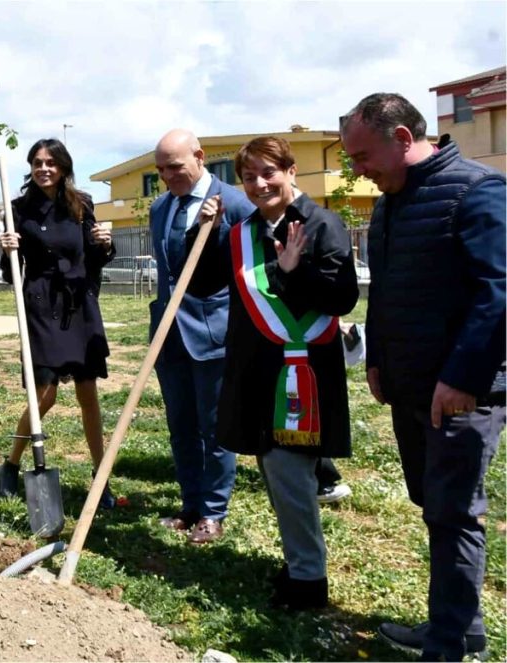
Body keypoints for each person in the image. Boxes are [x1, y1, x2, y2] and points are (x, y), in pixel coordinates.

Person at [340, 93, 505, 660]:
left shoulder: (476, 191)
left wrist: (463, 377)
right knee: (434, 505)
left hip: (462, 392)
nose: (357, 170)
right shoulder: (388, 204)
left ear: (404, 139)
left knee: (455, 512)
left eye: (363, 157)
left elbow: (498, 293)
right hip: (410, 384)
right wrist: (379, 358)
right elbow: (385, 292)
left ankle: (449, 645)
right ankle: (461, 627)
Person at [190, 136, 359, 609]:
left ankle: (308, 581)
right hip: (256, 372)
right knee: (278, 472)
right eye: (249, 177)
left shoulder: (323, 224)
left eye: (268, 172)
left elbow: (341, 297)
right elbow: (203, 283)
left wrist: (293, 270)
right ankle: (299, 563)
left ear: (290, 171)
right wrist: (200, 233)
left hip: (302, 376)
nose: (259, 183)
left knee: (291, 474)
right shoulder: (243, 231)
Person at [0, 138, 118, 509]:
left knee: (88, 394)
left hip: (78, 304)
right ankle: (11, 465)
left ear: (63, 167)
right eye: (37, 162)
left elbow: (95, 260)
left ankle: (101, 479)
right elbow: (11, 273)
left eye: (50, 162)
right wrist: (7, 252)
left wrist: (104, 243)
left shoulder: (82, 204)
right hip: (40, 302)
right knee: (44, 394)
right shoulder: (17, 209)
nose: (43, 168)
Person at [149, 129, 256, 544]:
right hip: (168, 332)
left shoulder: (235, 203)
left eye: (174, 166)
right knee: (181, 424)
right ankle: (190, 503)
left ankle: (213, 512)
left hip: (213, 331)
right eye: (160, 170)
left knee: (214, 426)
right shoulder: (161, 207)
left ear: (200, 157)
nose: (167, 176)